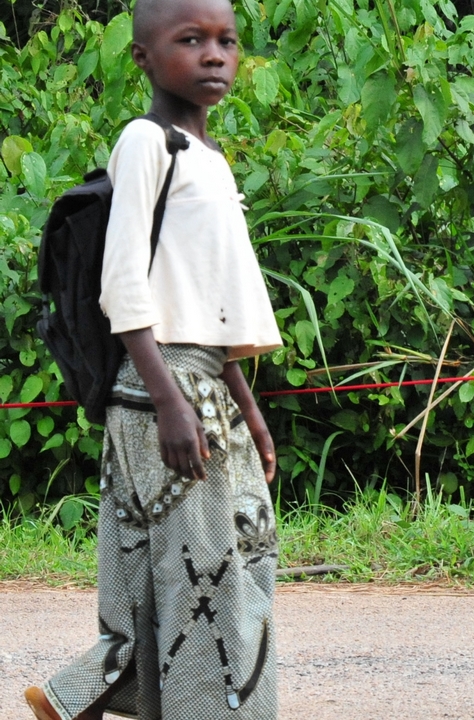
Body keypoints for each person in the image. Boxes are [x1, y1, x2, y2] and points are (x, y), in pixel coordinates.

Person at [25, 0, 283, 717]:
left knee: (240, 555)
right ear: (142, 56)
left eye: (226, 42)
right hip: (161, 384)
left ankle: (89, 690)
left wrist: (249, 408)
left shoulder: (209, 159)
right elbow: (123, 283)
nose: (213, 55)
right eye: (190, 40)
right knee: (203, 577)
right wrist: (168, 399)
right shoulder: (147, 143)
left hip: (208, 380)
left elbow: (209, 299)